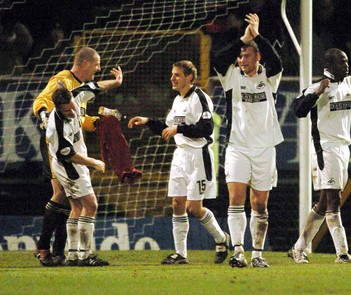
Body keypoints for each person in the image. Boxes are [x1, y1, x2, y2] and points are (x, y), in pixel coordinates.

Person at [288, 48, 351, 264]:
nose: (347, 65)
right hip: (325, 148)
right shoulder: (317, 87)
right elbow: (298, 110)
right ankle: (341, 253)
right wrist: (316, 93)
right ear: (329, 66)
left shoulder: (349, 83)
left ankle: (297, 249)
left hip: (342, 148)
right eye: (342, 62)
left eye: (347, 61)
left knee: (324, 204)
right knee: (334, 199)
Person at [128, 60, 229, 265]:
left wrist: (179, 129)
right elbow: (168, 128)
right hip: (180, 155)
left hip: (198, 156)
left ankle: (221, 239)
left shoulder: (200, 98)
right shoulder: (178, 101)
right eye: (172, 74)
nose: (172, 78)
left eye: (177, 75)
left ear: (189, 77)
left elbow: (206, 128)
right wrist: (147, 121)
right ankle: (180, 254)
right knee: (177, 204)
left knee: (194, 208)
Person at [32, 46, 123, 266]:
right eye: (97, 64)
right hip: (56, 146)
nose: (99, 68)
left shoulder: (79, 92)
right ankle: (45, 248)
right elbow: (41, 101)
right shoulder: (63, 80)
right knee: (64, 195)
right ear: (85, 63)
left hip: (68, 146)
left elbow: (80, 119)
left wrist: (98, 122)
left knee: (69, 199)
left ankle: (62, 252)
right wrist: (44, 115)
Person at [213, 13, 284, 268]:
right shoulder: (232, 76)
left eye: (247, 56)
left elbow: (277, 61)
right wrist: (243, 38)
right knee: (235, 199)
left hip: (265, 148)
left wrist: (258, 36)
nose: (242, 61)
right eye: (241, 57)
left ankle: (257, 254)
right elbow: (219, 58)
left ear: (258, 58)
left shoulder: (269, 77)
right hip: (238, 147)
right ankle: (239, 252)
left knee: (260, 204)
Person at [46, 87, 108, 266]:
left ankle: (73, 255)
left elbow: (92, 86)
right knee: (91, 205)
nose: (72, 111)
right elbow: (69, 155)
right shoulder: (57, 126)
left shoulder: (76, 96)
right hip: (70, 167)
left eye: (73, 106)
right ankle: (85, 255)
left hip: (72, 166)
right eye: (67, 110)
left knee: (76, 207)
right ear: (58, 108)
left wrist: (116, 82)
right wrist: (92, 162)